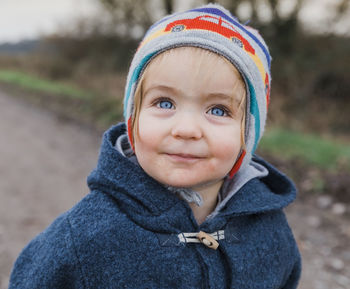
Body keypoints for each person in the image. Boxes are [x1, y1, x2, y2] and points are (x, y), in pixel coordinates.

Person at [9, 3, 301, 289]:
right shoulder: (84, 240)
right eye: (164, 103)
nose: (186, 129)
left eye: (218, 110)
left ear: (248, 134)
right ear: (133, 117)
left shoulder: (269, 231)